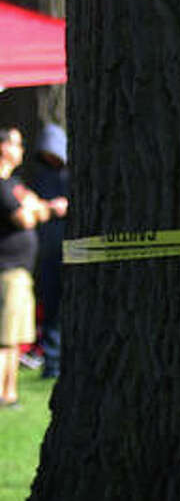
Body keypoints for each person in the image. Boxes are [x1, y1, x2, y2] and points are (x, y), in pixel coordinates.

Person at [1, 127, 65, 409]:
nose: (22, 150)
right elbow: (25, 218)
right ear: (3, 148)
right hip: (7, 271)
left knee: (16, 338)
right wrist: (44, 210)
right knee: (4, 337)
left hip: (21, 271)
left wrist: (38, 208)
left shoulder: (15, 183)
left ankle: (9, 394)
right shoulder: (2, 186)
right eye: (17, 144)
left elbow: (34, 205)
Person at [26, 123, 69, 379]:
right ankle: (52, 364)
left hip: (70, 248)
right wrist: (49, 207)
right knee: (51, 308)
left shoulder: (72, 175)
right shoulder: (40, 177)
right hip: (48, 251)